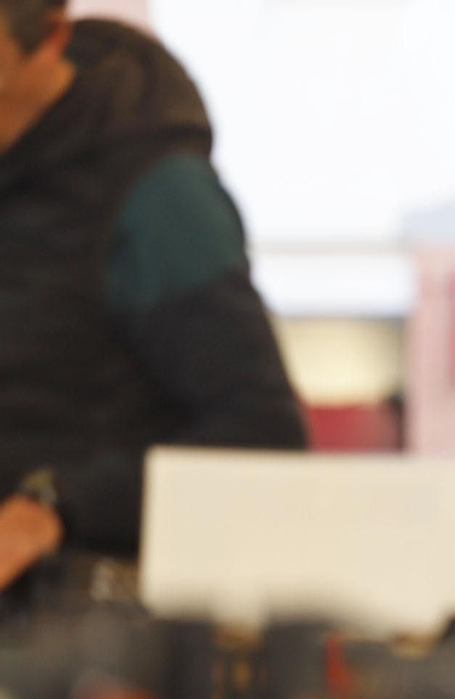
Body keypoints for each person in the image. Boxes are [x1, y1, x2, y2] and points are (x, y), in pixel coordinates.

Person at [0, 3, 307, 603]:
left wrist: (56, 505)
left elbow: (262, 433)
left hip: (83, 622)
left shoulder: (158, 201)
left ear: (50, 41)